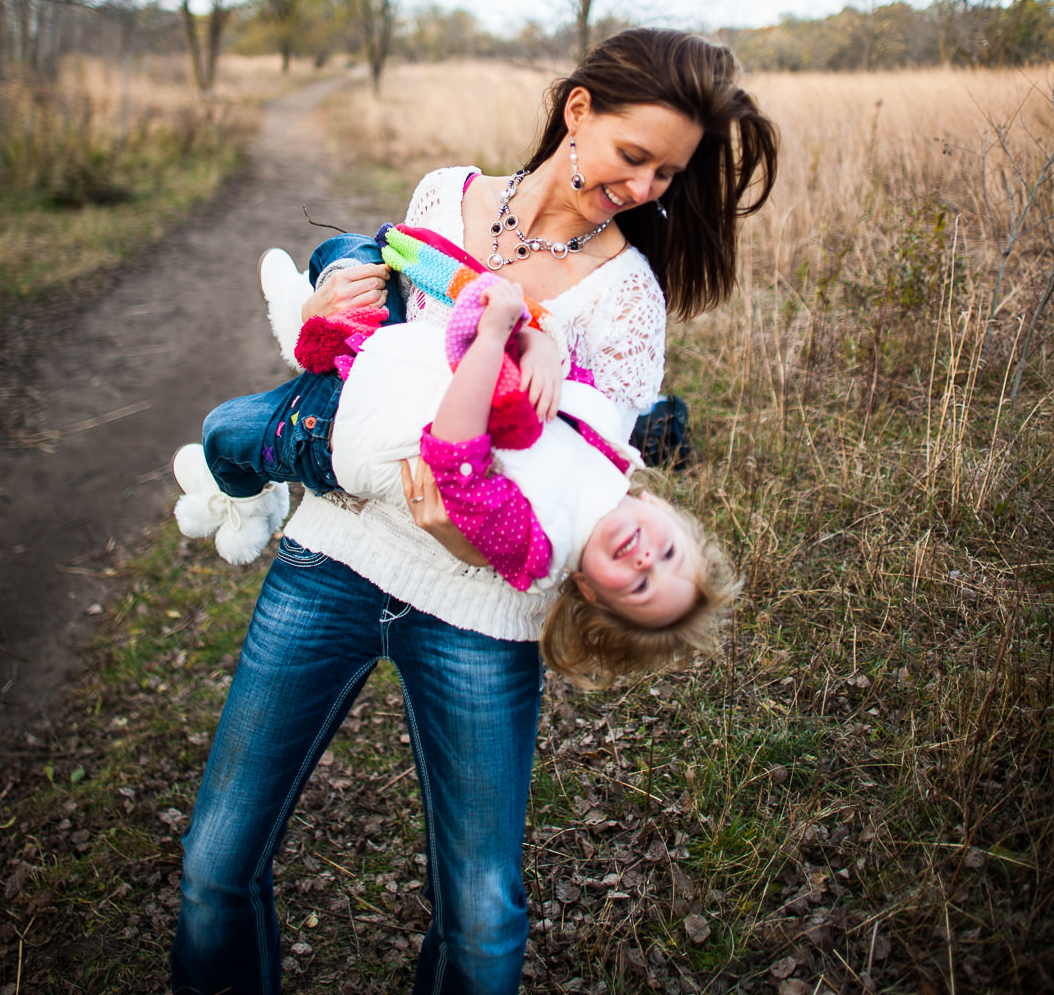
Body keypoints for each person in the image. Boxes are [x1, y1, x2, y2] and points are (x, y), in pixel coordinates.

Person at [170, 28, 779, 995]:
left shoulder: (627, 300)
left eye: (668, 173)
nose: (645, 185)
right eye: (635, 154)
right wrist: (332, 300)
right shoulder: (443, 194)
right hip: (335, 556)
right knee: (214, 865)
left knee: (488, 926)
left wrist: (474, 537)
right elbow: (377, 366)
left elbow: (593, 498)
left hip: (483, 615)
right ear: (578, 109)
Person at [171, 247, 740, 682]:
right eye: (666, 554)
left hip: (341, 429)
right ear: (658, 506)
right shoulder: (612, 451)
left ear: (591, 592)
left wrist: (491, 338)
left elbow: (453, 458)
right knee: (350, 250)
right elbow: (561, 384)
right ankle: (308, 324)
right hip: (391, 356)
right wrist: (537, 340)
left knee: (227, 432)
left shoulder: (537, 548)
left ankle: (245, 502)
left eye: (640, 584)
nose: (646, 559)